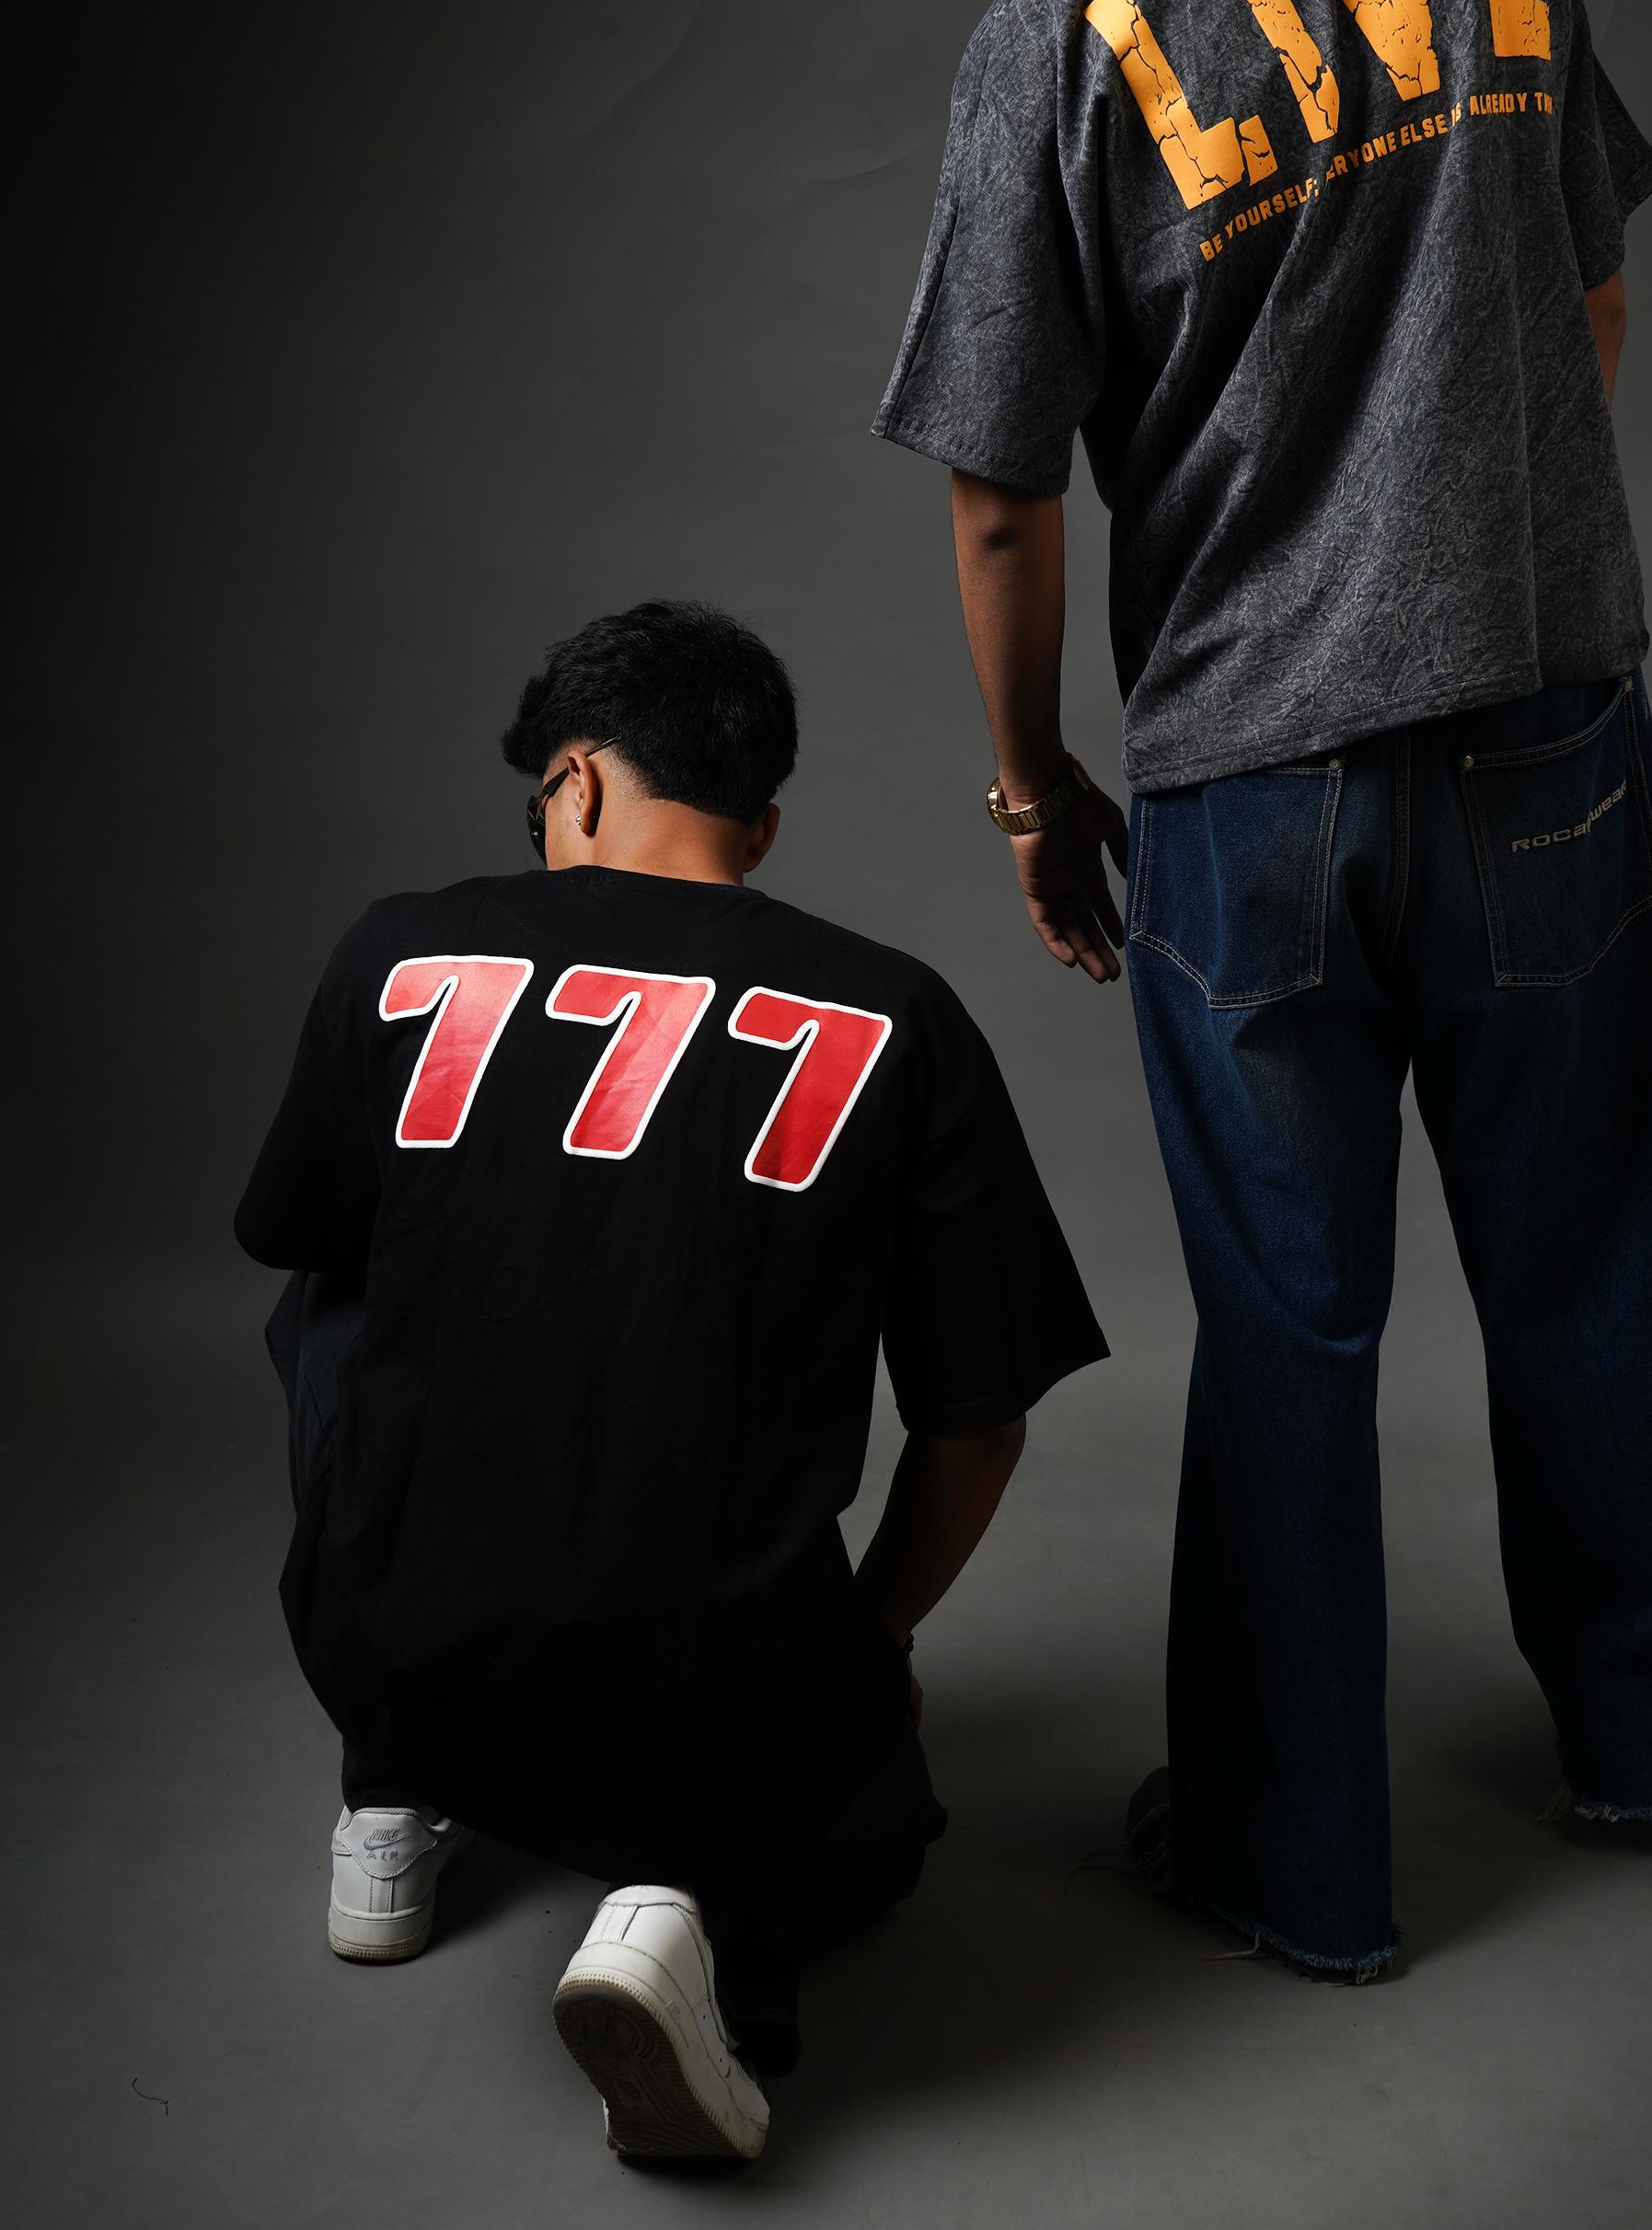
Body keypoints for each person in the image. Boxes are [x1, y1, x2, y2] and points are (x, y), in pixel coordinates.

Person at [782, 0, 1652, 1984]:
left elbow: (1002, 499)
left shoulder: (1056, 28)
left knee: (1295, 1331)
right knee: (1592, 1253)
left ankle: (1301, 1869)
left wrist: (1035, 790)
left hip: (1255, 780)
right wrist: (1488, 540)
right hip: (1547, 722)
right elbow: (1589, 295)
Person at [236, 599, 1104, 2160]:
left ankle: (389, 1797)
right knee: (866, 1810)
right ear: (759, 827)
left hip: (402, 1631)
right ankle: (689, 1910)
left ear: (572, 780)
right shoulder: (898, 1010)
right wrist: (871, 1643)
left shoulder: (398, 948)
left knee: (333, 1284)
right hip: (713, 1678)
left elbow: (296, 1245)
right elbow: (980, 1422)